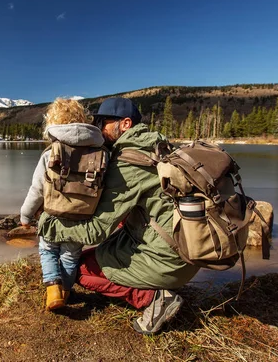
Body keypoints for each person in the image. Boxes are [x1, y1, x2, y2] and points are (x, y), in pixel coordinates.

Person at [37, 97, 200, 334]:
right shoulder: (158, 146)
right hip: (185, 251)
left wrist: (50, 226)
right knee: (104, 245)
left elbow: (95, 231)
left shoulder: (129, 162)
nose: (99, 130)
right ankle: (154, 277)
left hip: (169, 260)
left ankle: (154, 298)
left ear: (125, 124)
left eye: (103, 123)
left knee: (83, 269)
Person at [20, 98, 105, 311]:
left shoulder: (51, 153)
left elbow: (38, 189)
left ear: (53, 122)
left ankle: (53, 290)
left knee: (47, 250)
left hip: (53, 216)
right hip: (82, 217)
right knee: (70, 255)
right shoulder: (101, 153)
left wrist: (25, 215)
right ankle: (66, 293)